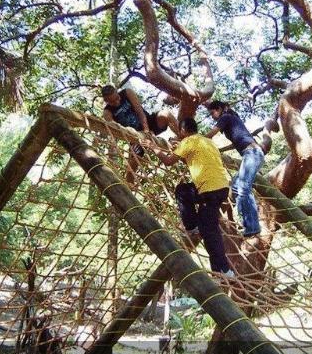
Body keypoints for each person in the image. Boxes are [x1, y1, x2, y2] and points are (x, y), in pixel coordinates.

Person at [147, 117, 233, 275]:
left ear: (183, 131)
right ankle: (192, 226)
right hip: (220, 187)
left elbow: (167, 161)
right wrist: (178, 148)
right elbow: (195, 160)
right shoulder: (208, 142)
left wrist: (153, 147)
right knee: (183, 190)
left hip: (210, 191)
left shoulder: (188, 141)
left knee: (210, 231)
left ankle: (223, 269)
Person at [204, 100, 264, 239]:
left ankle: (252, 226)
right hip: (250, 155)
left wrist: (195, 139)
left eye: (213, 112)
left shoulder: (225, 117)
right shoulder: (232, 121)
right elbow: (235, 143)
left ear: (219, 109)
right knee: (236, 186)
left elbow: (212, 133)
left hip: (253, 154)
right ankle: (248, 223)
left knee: (243, 187)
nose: (212, 116)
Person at [101, 85, 179, 138]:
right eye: (112, 101)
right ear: (106, 101)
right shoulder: (107, 112)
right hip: (135, 135)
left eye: (117, 98)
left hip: (148, 123)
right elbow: (116, 131)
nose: (117, 102)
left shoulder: (127, 92)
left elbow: (139, 111)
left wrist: (146, 130)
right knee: (133, 161)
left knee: (166, 114)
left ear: (117, 92)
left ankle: (184, 137)